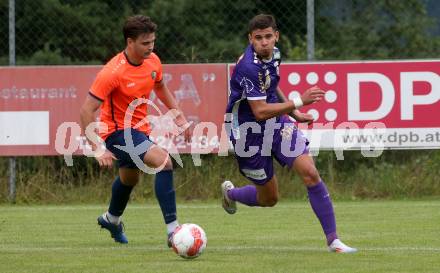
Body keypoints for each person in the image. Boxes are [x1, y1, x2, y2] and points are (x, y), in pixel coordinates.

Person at [222, 14, 357, 253]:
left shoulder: (274, 54)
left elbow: (271, 86)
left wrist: (293, 113)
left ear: (276, 36)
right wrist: (299, 102)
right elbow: (260, 111)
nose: (264, 42)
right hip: (247, 132)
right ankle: (231, 193)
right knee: (270, 199)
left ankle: (333, 241)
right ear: (250, 39)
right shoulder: (248, 67)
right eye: (258, 38)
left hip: (276, 123)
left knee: (310, 173)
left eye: (268, 37)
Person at [80, 15, 191, 246]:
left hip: (139, 131)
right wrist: (97, 149)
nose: (150, 47)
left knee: (129, 179)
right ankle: (173, 231)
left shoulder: (153, 61)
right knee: (164, 162)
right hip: (116, 133)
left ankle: (111, 219)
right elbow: (86, 111)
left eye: (152, 42)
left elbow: (161, 88)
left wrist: (178, 115)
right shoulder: (112, 72)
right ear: (130, 42)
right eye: (145, 43)